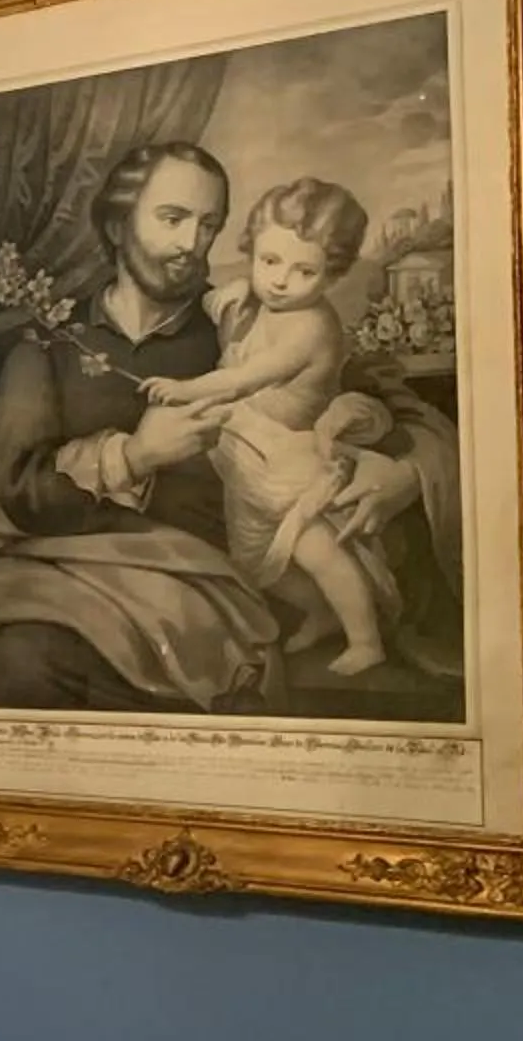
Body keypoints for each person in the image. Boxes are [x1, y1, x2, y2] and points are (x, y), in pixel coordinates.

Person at [0, 142, 445, 714]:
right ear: (117, 226)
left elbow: (395, 408)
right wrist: (136, 456)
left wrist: (406, 470)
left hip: (211, 598)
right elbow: (21, 488)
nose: (192, 243)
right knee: (17, 664)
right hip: (67, 580)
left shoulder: (246, 318)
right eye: (173, 219)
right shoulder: (50, 343)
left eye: (209, 225)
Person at [140, 177, 393, 676]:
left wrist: (185, 389)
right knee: (257, 563)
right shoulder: (262, 301)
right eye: (270, 261)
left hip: (294, 458)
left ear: (332, 275)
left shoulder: (310, 326)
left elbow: (245, 378)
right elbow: (220, 305)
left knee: (316, 549)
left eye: (305, 271)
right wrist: (227, 295)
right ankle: (322, 614)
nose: (280, 281)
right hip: (251, 458)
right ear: (252, 251)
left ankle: (367, 640)